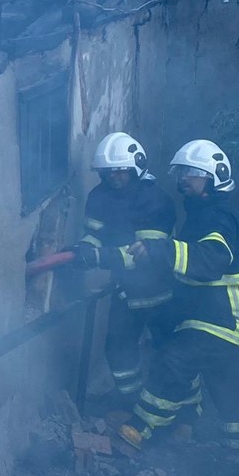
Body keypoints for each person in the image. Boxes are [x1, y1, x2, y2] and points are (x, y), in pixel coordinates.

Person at [95, 139, 239, 453]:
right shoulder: (218, 214)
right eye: (182, 172)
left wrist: (160, 249)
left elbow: (209, 260)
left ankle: (140, 429)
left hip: (226, 318)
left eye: (193, 173)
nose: (183, 179)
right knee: (230, 381)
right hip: (234, 318)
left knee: (173, 361)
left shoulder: (217, 217)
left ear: (215, 176)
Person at [70, 132, 177, 402]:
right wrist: (84, 248)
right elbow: (94, 233)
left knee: (171, 354)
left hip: (162, 295)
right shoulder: (99, 197)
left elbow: (144, 256)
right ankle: (130, 402)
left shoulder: (157, 201)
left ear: (135, 168)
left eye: (119, 172)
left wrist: (98, 257)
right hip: (125, 293)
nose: (113, 179)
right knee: (117, 350)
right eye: (107, 173)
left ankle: (185, 413)